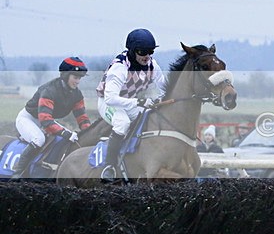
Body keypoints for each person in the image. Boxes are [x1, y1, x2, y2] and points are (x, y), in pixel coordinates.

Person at [95, 28, 167, 180]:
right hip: (108, 103)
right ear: (133, 51)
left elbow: (164, 88)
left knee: (149, 118)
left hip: (128, 102)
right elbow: (110, 99)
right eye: (142, 52)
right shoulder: (120, 67)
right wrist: (140, 101)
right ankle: (109, 166)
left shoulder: (152, 65)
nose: (147, 56)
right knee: (123, 123)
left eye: (150, 52)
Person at [12, 57, 91, 178]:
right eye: (75, 77)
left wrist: (88, 132)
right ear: (66, 75)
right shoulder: (49, 90)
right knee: (39, 139)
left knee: (68, 138)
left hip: (46, 121)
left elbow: (82, 118)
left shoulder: (77, 94)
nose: (78, 81)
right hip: (28, 119)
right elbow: (45, 119)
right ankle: (18, 172)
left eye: (79, 78)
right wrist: (65, 133)